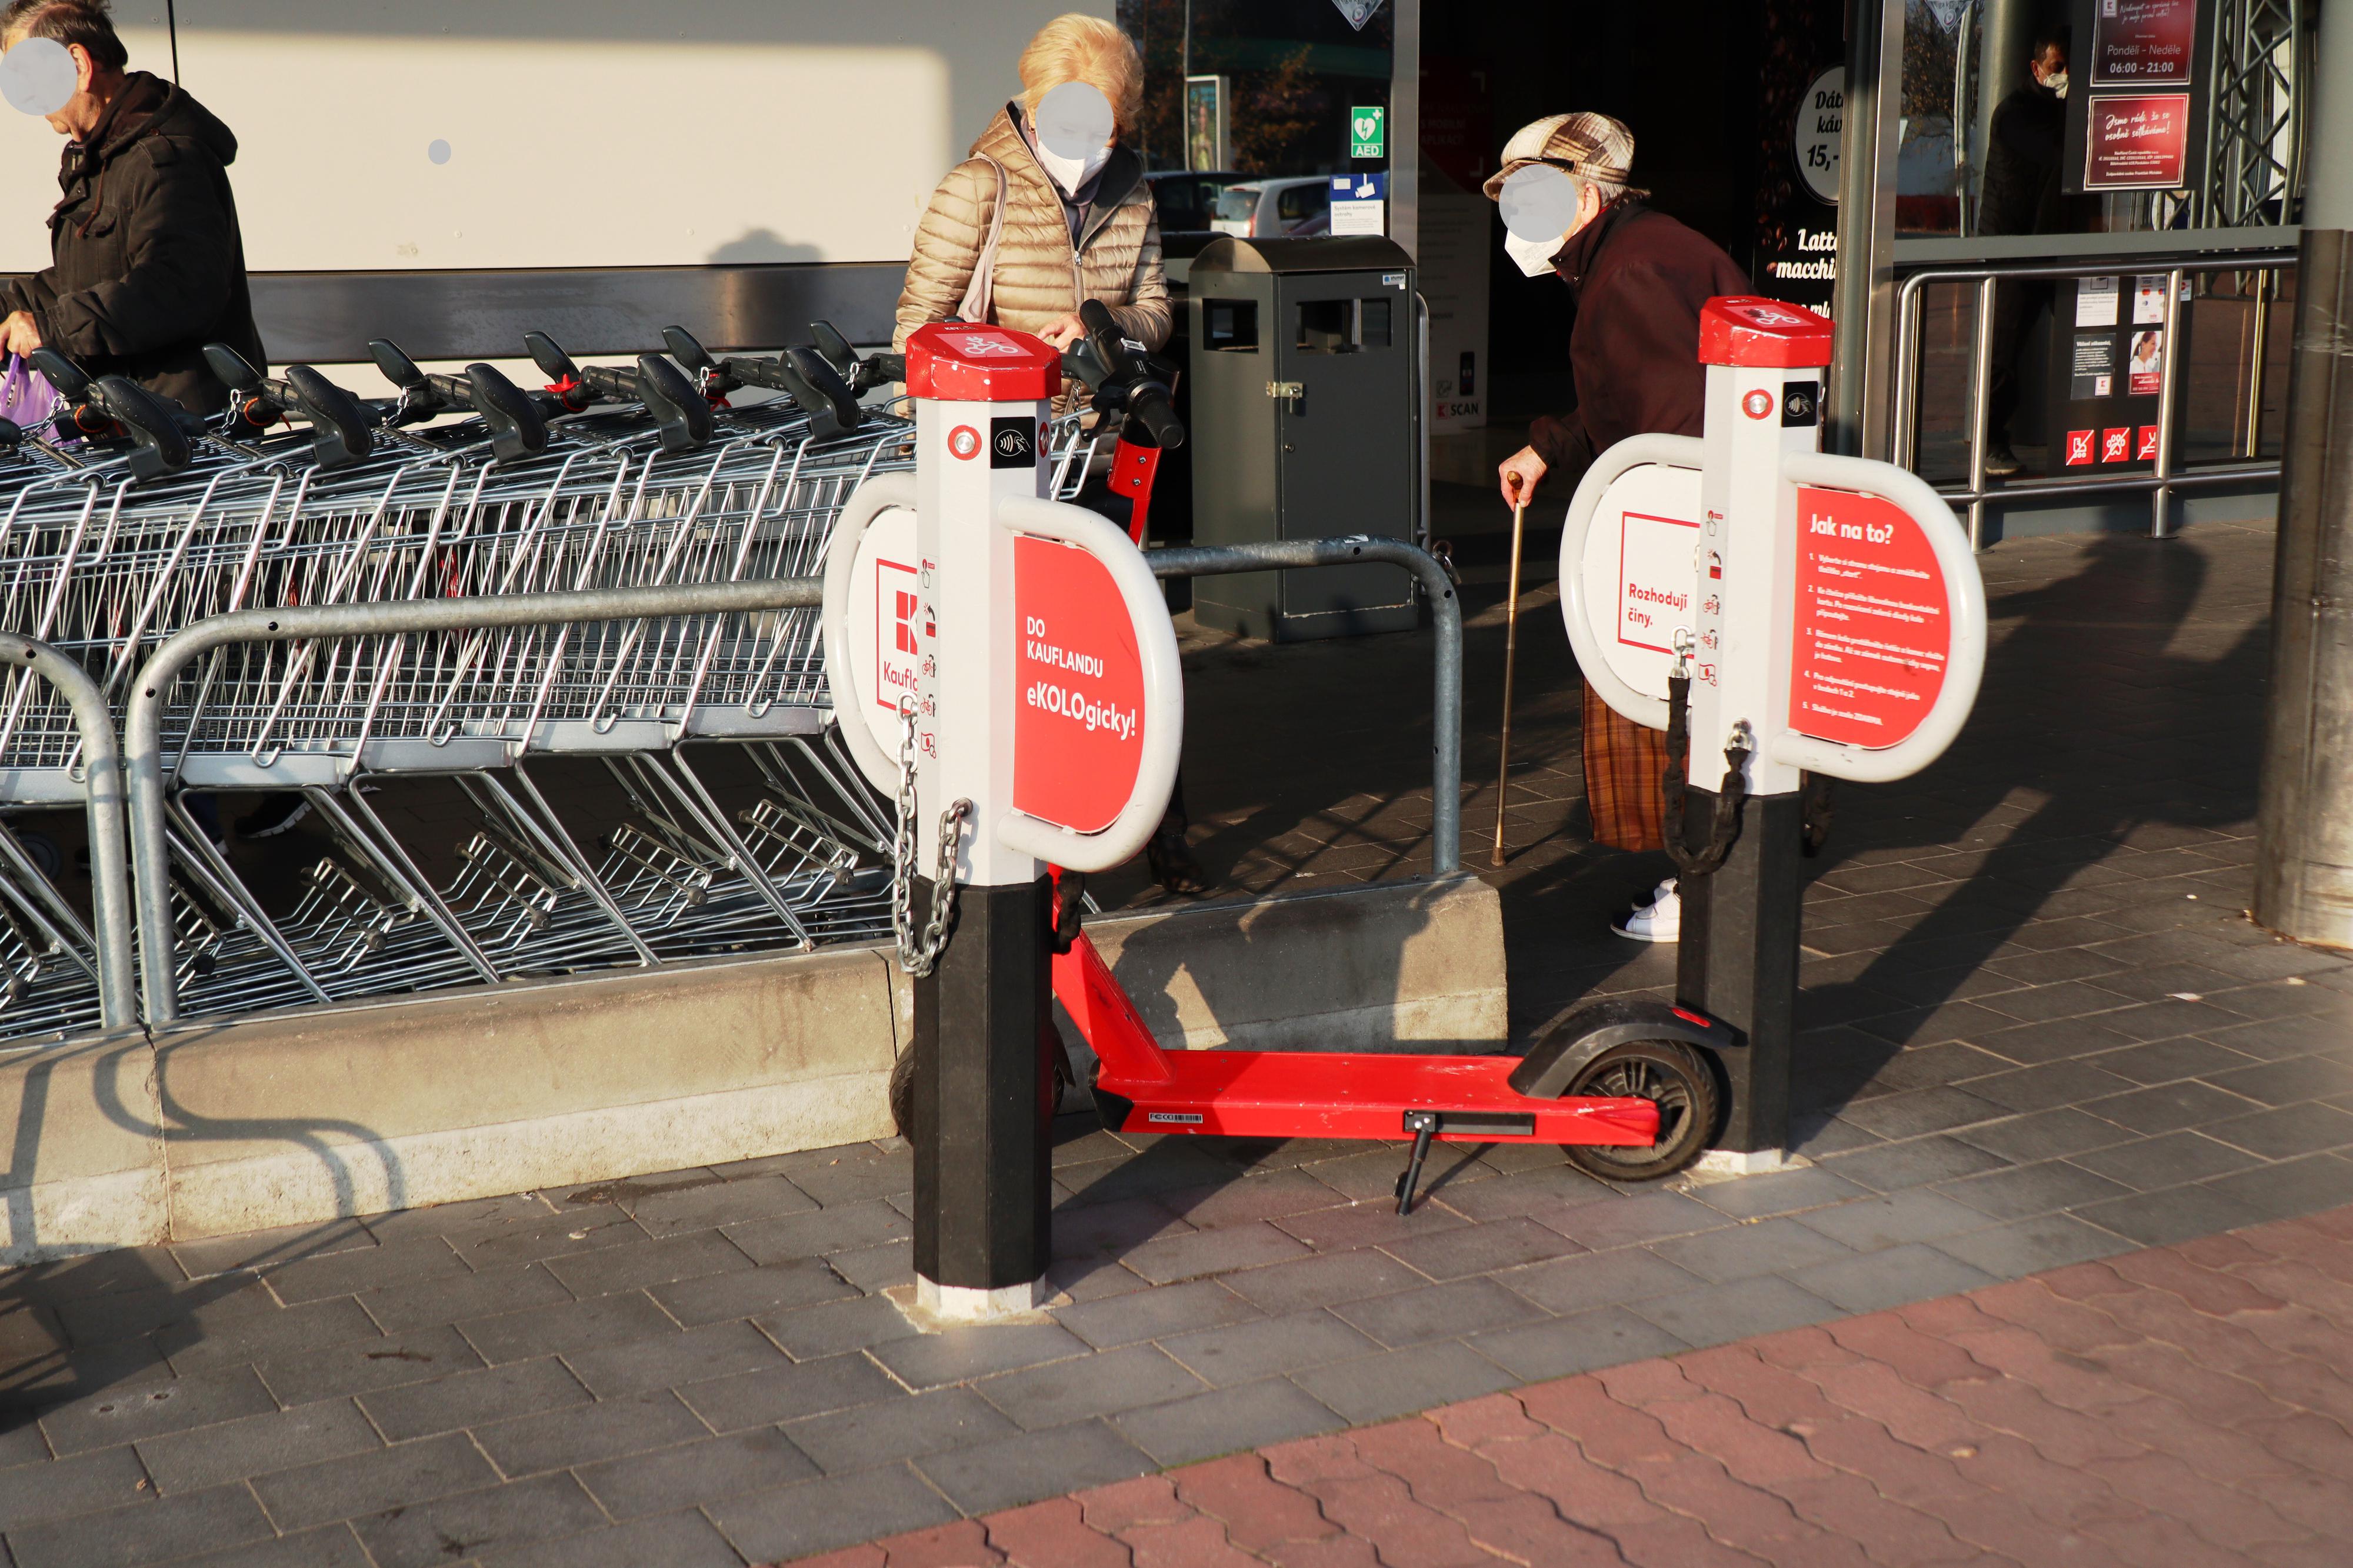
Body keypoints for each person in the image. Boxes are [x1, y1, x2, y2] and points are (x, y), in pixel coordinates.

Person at [896, 14, 1204, 895]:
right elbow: (917, 330)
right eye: (1067, 120)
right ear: (1033, 109)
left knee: (1126, 643)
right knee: (1024, 657)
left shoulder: (1134, 193)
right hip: (1008, 464)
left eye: (1102, 125)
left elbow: (1156, 307)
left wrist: (1105, 328)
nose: (1084, 144)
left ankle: (1157, 828)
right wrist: (1023, 350)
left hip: (1105, 453)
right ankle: (1033, 838)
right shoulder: (980, 186)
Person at [0, 3, 295, 842]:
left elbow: (179, 284)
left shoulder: (165, 156)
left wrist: (53, 331)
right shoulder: (99, 163)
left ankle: (180, 821)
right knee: (129, 636)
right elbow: (81, 282)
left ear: (79, 66)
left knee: (155, 639)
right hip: (124, 433)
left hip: (177, 430)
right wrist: (21, 309)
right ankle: (153, 814)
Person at [1490, 113, 1748, 945]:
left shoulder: (1630, 271)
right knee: (1682, 703)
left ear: (1587, 197)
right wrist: (1551, 442)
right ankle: (1705, 871)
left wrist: (1650, 537)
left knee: (1674, 700)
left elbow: (1672, 419)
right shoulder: (1638, 253)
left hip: (1691, 525)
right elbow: (1630, 390)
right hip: (1703, 509)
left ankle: (1706, 883)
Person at [1976, 26, 2075, 478]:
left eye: (2070, 67)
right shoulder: (2015, 113)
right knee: (2004, 348)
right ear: (2037, 69)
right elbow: (2058, 151)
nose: (2065, 76)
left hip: (2055, 244)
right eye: (2057, 68)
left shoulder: (2064, 111)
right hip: (2012, 249)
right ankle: (1991, 441)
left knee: (2085, 334)